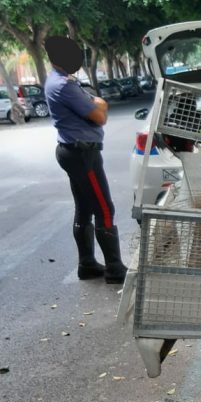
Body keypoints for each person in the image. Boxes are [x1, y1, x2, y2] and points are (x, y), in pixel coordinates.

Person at [43, 36, 127, 284]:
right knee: (104, 208)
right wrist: (100, 102)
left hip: (73, 151)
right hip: (83, 154)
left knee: (85, 207)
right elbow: (99, 115)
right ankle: (114, 268)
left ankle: (87, 264)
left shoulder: (60, 80)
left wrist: (97, 103)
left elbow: (95, 107)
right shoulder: (64, 85)